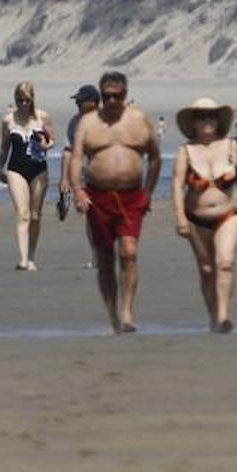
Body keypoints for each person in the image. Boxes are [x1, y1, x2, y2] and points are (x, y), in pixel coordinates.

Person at [68, 71, 162, 334]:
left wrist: (148, 192)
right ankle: (112, 314)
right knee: (107, 258)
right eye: (107, 96)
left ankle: (127, 312)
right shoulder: (88, 124)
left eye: (117, 96)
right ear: (101, 95)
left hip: (132, 197)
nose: (111, 101)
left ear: (125, 94)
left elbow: (155, 157)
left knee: (129, 252)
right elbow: (76, 159)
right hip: (98, 196)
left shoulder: (139, 120)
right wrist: (77, 191)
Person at [171, 98, 237, 333]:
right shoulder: (186, 151)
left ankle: (223, 316)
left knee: (225, 263)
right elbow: (177, 185)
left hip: (228, 215)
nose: (207, 121)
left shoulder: (232, 147)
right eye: (202, 116)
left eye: (211, 116)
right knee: (206, 269)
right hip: (196, 218)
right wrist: (180, 217)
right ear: (193, 122)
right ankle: (212, 314)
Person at [0, 82, 55, 271]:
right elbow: (5, 147)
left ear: (32, 99)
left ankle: (31, 257)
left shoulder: (42, 117)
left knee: (35, 215)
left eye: (26, 100)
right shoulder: (8, 121)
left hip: (39, 169)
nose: (23, 104)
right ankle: (22, 259)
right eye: (19, 100)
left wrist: (46, 145)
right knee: (22, 214)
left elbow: (52, 139)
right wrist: (1, 168)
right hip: (16, 169)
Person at [58, 85, 100, 267]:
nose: (77, 103)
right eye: (76, 100)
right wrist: (64, 178)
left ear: (93, 102)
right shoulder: (74, 122)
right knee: (91, 216)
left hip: (109, 174)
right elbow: (68, 151)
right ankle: (97, 256)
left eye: (81, 100)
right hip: (86, 176)